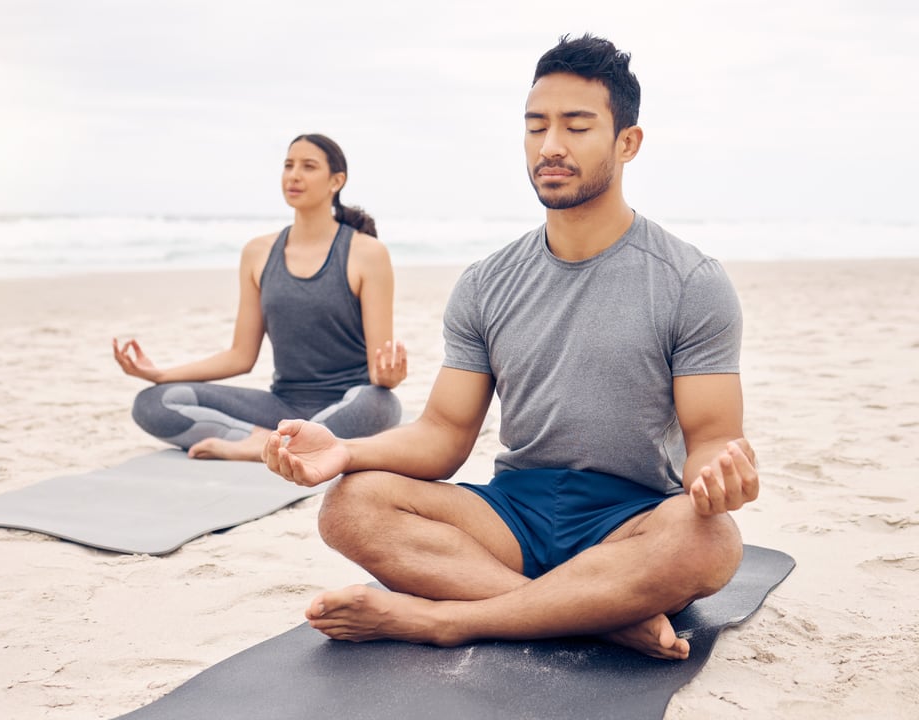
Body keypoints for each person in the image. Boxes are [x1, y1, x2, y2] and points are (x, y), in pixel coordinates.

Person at [262, 35, 759, 660]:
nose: (550, 146)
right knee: (351, 505)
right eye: (536, 128)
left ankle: (446, 621)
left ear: (627, 142)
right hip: (512, 515)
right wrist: (344, 450)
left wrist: (717, 475)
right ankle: (593, 616)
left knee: (711, 542)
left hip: (632, 520)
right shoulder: (486, 282)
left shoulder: (691, 281)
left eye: (577, 127)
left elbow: (712, 436)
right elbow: (442, 433)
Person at [113, 133, 407, 461]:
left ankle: (274, 445)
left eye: (308, 167)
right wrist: (161, 374)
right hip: (281, 405)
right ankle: (266, 442)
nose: (293, 175)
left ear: (336, 181)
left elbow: (379, 369)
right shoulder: (258, 253)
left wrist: (388, 377)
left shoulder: (367, 253)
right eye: (288, 165)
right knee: (153, 403)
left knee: (381, 404)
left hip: (350, 403)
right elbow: (241, 356)